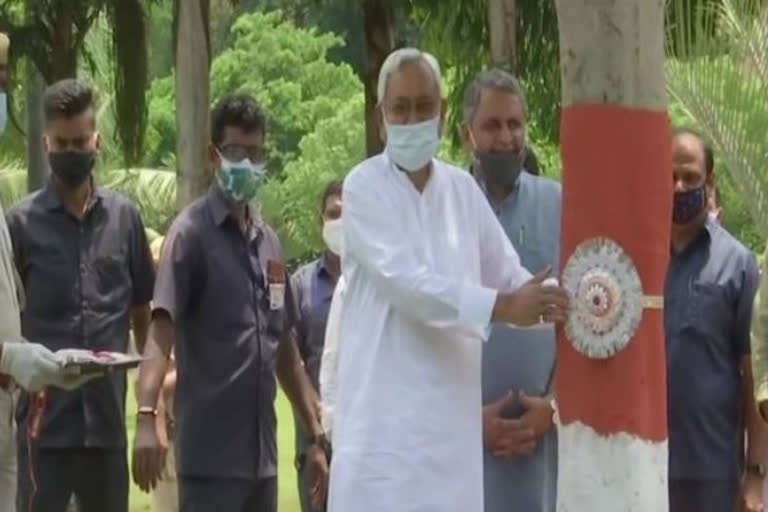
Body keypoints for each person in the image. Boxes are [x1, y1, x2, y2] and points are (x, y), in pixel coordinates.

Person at [326, 48, 570, 512]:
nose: (412, 118)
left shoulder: (460, 189)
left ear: (441, 117)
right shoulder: (363, 188)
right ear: (382, 119)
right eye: (401, 108)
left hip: (451, 448)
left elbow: (513, 277)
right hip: (384, 445)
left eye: (424, 107)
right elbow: (409, 286)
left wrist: (574, 306)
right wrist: (504, 306)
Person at [132, 93, 328, 512]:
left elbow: (285, 350)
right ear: (213, 156)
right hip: (210, 462)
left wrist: (314, 435)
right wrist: (146, 415)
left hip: (263, 462)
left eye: (257, 154)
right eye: (238, 152)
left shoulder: (269, 242)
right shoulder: (190, 236)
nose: (249, 164)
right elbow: (159, 331)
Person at [5, 78, 155, 512]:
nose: (72, 153)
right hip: (41, 432)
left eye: (80, 142)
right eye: (63, 144)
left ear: (97, 141)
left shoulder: (125, 219)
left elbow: (143, 309)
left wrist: (150, 406)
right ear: (46, 144)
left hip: (106, 429)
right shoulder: (20, 226)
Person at [462, 69, 560, 512]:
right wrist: (465, 423)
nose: (505, 138)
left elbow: (584, 322)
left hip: (542, 445)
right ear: (468, 134)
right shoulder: (446, 208)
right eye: (492, 125)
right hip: (459, 446)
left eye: (514, 124)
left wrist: (553, 407)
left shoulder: (560, 205)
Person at [665, 128, 767, 512]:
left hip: (713, 473)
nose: (678, 187)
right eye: (669, 176)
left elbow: (755, 375)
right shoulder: (635, 263)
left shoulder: (738, 265)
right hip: (646, 459)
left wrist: (756, 475)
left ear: (709, 181)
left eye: (690, 178)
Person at [290, 180, 342, 512]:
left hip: (366, 437)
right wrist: (315, 439)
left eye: (348, 215)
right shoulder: (301, 286)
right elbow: (292, 366)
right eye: (333, 214)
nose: (340, 223)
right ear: (319, 220)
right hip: (315, 441)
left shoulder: (376, 282)